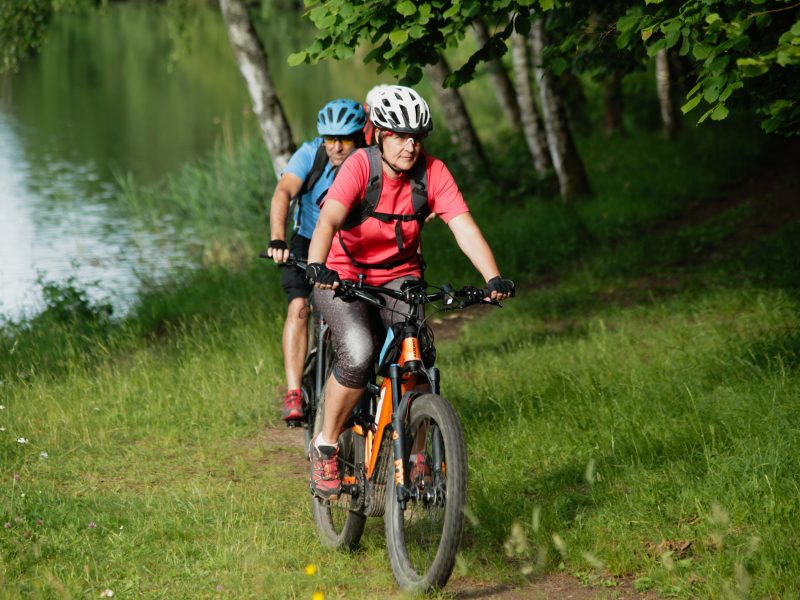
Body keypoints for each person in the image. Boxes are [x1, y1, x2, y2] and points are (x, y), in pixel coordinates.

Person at [304, 85, 515, 499]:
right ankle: (326, 444)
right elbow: (328, 218)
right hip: (343, 274)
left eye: (416, 137)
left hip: (400, 277)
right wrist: (318, 265)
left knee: (416, 355)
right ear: (380, 134)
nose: (410, 146)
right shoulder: (360, 167)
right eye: (400, 136)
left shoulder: (434, 173)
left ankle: (417, 455)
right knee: (360, 351)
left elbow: (463, 227)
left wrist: (493, 278)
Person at [266, 98, 366, 423]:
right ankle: (295, 391)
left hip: (351, 245)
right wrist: (278, 239)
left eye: (345, 138)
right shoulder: (311, 154)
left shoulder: (369, 160)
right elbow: (284, 192)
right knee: (299, 308)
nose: (337, 147)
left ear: (359, 135)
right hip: (307, 241)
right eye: (330, 138)